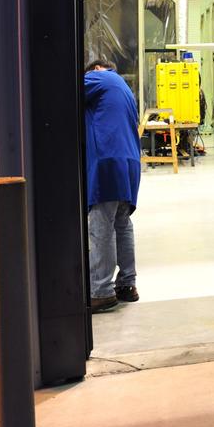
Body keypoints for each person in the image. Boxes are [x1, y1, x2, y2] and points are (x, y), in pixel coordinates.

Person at [84, 59, 141, 312]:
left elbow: (64, 89)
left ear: (96, 69)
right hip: (129, 162)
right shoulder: (125, 88)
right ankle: (127, 285)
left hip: (108, 160)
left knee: (100, 226)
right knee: (122, 223)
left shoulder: (100, 78)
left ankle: (101, 290)